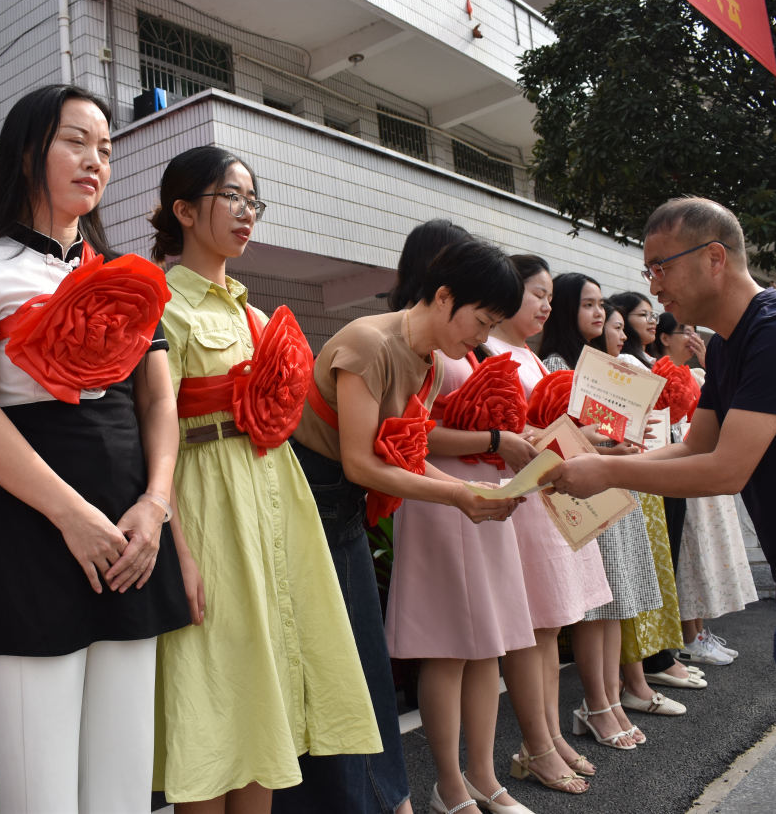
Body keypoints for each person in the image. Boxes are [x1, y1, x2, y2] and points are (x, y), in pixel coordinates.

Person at [543, 196, 776, 814]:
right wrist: (596, 467)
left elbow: (726, 470)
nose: (652, 286)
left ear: (714, 257)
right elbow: (698, 444)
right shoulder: (726, 344)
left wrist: (606, 471)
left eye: (660, 267)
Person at [0, 85, 192, 812]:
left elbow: (159, 401)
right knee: (42, 798)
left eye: (105, 148)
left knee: (123, 793)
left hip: (130, 541)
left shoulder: (128, 276)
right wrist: (72, 517)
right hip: (28, 538)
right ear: (26, 152)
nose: (95, 160)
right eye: (76, 141)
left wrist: (155, 504)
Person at [149, 146, 380, 814]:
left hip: (272, 496)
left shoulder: (254, 315)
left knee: (266, 688)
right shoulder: (162, 303)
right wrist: (178, 552)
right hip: (203, 499)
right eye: (232, 197)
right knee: (212, 692)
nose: (247, 213)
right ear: (185, 210)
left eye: (254, 200)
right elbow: (148, 436)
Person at [281, 238, 523, 814]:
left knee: (358, 673)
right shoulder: (369, 343)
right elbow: (364, 460)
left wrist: (463, 490)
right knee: (336, 675)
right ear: (443, 297)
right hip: (308, 509)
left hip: (343, 513)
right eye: (481, 321)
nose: (481, 338)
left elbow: (397, 456)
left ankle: (388, 801)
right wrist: (459, 493)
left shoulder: (429, 361)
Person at [385, 230, 546, 813]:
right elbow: (410, 431)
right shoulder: (409, 338)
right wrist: (497, 438)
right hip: (440, 494)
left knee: (489, 644)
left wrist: (511, 441)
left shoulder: (463, 339)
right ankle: (450, 783)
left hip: (482, 491)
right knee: (449, 645)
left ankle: (483, 776)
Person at [488, 255, 613, 790]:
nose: (546, 305)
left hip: (550, 497)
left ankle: (552, 735)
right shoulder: (489, 353)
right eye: (537, 294)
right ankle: (537, 743)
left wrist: (600, 442)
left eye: (547, 297)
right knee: (532, 626)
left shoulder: (529, 357)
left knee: (550, 624)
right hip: (527, 499)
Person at [539, 274, 662, 750]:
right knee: (596, 606)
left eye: (600, 305)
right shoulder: (555, 364)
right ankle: (595, 703)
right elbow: (564, 437)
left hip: (612, 482)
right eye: (586, 304)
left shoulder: (604, 364)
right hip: (585, 491)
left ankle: (609, 700)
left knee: (614, 604)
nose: (596, 313)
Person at [598, 295, 691, 719]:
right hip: (611, 477)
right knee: (617, 590)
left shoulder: (631, 362)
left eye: (619, 322)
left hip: (641, 469)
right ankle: (616, 690)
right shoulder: (579, 364)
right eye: (624, 321)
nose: (608, 324)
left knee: (641, 577)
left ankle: (632, 681)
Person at [647, 315, 757, 669]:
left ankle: (698, 632)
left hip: (695, 458)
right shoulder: (653, 369)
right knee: (689, 554)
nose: (692, 337)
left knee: (702, 554)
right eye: (685, 331)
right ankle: (689, 636)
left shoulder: (694, 374)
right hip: (676, 461)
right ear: (664, 338)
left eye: (694, 331)